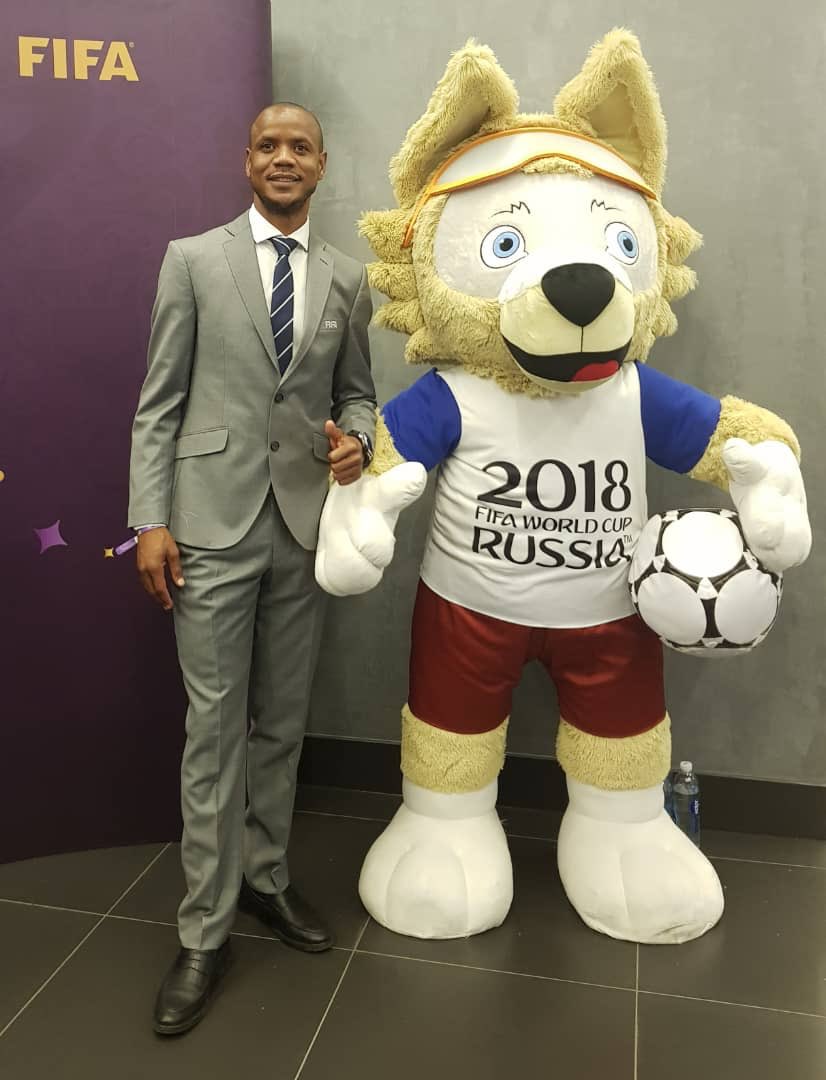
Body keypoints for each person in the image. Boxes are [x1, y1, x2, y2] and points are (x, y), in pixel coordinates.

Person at [128, 102, 376, 1036]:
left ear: (321, 164)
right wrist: (150, 519)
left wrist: (358, 441)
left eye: (299, 147)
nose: (283, 157)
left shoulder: (346, 277)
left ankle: (266, 878)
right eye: (268, 145)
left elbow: (358, 394)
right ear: (247, 162)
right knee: (214, 727)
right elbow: (159, 403)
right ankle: (205, 927)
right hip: (209, 527)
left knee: (282, 721)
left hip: (302, 529)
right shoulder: (193, 260)